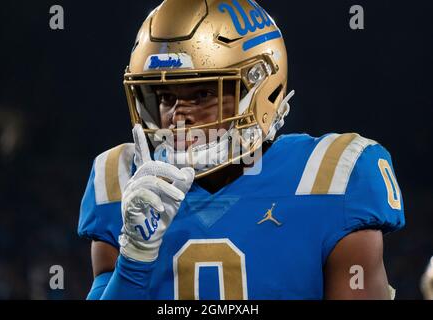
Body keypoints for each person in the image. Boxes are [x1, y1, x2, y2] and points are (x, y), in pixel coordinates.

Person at [78, 0, 405, 300]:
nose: (178, 115)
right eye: (165, 96)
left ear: (261, 88)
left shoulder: (334, 176)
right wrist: (134, 256)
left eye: (204, 93)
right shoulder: (120, 181)